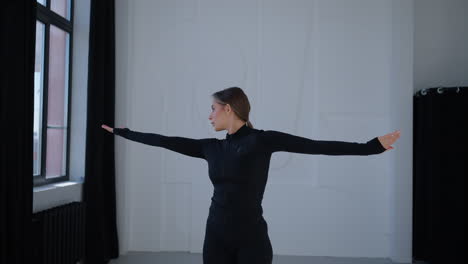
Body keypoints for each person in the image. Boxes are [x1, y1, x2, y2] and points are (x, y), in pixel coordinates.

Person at [101, 86, 401, 264]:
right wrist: (124, 133)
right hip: (215, 234)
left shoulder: (262, 140)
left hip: (251, 237)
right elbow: (166, 141)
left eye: (213, 108)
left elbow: (316, 146)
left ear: (228, 109)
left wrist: (371, 147)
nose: (209, 115)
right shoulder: (210, 148)